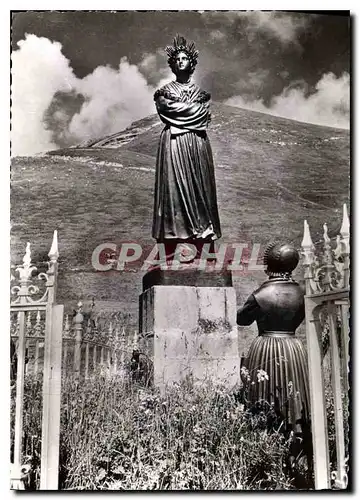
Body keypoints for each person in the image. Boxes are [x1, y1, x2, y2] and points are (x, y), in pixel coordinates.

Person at [152, 35, 221, 244]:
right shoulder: (164, 92)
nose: (180, 61)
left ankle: (202, 230)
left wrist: (184, 114)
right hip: (174, 144)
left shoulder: (202, 94)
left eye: (184, 58)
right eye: (177, 59)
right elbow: (167, 109)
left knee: (200, 187)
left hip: (197, 143)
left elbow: (204, 114)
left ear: (192, 63)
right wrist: (194, 112)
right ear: (172, 64)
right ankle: (176, 234)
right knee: (174, 188)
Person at [237, 242, 310, 431]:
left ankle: (266, 431)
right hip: (293, 347)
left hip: (266, 346)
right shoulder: (303, 292)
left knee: (263, 392)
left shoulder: (260, 294)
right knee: (296, 392)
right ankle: (297, 433)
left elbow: (242, 319)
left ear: (268, 264)